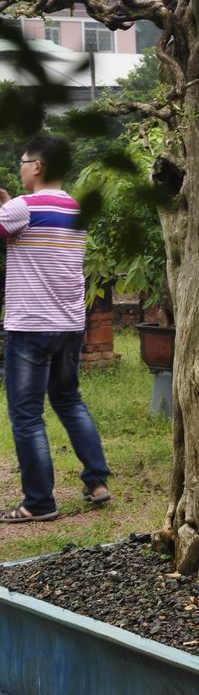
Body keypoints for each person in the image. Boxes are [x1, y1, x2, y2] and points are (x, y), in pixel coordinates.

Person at [0, 136, 111, 523]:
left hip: (30, 324)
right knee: (68, 400)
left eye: (24, 161)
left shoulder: (21, 208)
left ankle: (39, 502)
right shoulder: (75, 208)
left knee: (27, 415)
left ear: (39, 166)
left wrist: (6, 208)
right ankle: (97, 480)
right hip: (68, 324)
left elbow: (15, 227)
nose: (20, 167)